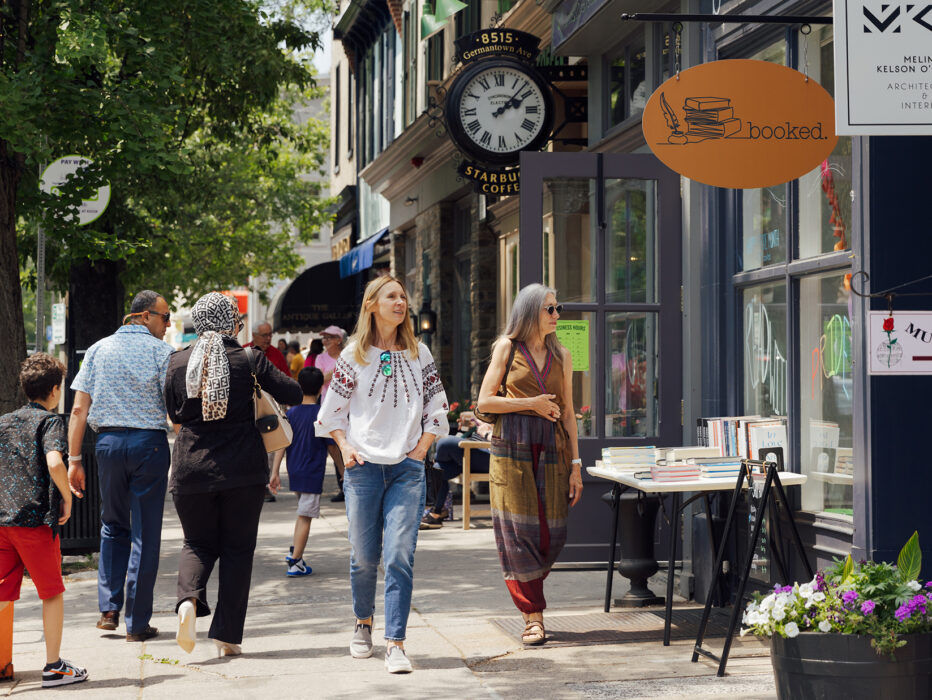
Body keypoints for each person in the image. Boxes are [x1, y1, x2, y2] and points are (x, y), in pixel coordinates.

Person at [315, 276, 449, 674]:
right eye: (392, 296)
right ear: (372, 304)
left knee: (398, 558)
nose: (401, 302)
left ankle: (396, 642)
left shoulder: (418, 353)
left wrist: (422, 448)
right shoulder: (353, 354)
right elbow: (331, 414)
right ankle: (363, 622)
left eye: (403, 296)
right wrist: (345, 446)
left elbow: (437, 407)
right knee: (363, 559)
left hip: (407, 471)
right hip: (363, 472)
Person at [165, 292, 302, 657]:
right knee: (238, 551)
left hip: (191, 470)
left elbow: (174, 414)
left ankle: (187, 603)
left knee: (196, 543)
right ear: (232, 324)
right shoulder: (251, 358)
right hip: (243, 472)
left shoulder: (177, 362)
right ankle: (226, 637)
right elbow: (293, 390)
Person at [476, 283, 583, 646]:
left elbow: (568, 412)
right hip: (512, 449)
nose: (556, 315)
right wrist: (530, 404)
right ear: (529, 312)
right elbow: (484, 402)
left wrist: (576, 465)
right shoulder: (508, 348)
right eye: (549, 309)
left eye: (558, 308)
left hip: (552, 451)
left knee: (552, 533)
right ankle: (532, 617)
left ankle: (532, 592)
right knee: (517, 533)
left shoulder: (563, 356)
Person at [67, 290, 174, 642]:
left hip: (108, 444)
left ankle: (108, 610)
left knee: (112, 525)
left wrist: (75, 458)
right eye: (164, 317)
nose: (168, 324)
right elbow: (174, 410)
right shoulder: (163, 353)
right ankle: (137, 622)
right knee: (145, 533)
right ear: (144, 316)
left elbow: (79, 409)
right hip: (149, 446)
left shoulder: (99, 349)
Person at [0, 354, 89, 687]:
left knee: (2, 593)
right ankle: (54, 666)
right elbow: (55, 463)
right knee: (50, 592)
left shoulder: (4, 422)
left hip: (1, 520)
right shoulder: (50, 422)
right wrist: (66, 497)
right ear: (54, 390)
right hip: (34, 521)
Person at [270, 367, 327, 577]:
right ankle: (295, 562)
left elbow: (282, 443)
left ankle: (296, 551)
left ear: (299, 385)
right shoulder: (322, 415)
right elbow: (332, 447)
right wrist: (343, 470)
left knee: (303, 512)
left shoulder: (291, 413)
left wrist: (275, 471)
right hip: (312, 472)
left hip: (295, 471)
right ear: (321, 387)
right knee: (305, 516)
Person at [420, 412, 492, 530]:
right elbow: (468, 430)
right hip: (474, 449)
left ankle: (434, 508)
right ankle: (436, 513)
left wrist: (487, 432)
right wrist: (468, 427)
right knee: (438, 468)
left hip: (490, 455)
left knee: (444, 442)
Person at [244, 320, 290, 502]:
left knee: (271, 446)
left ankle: (265, 484)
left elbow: (286, 378)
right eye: (265, 335)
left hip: (271, 407)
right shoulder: (244, 352)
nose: (269, 338)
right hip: (249, 407)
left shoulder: (276, 354)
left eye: (270, 334)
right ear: (254, 335)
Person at [314, 326, 348, 502]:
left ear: (338, 340)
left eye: (329, 337)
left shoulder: (348, 355)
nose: (325, 341)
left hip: (349, 406)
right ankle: (343, 482)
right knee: (333, 444)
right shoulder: (321, 358)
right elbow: (321, 379)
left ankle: (350, 482)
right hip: (329, 405)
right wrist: (339, 369)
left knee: (349, 443)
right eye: (324, 338)